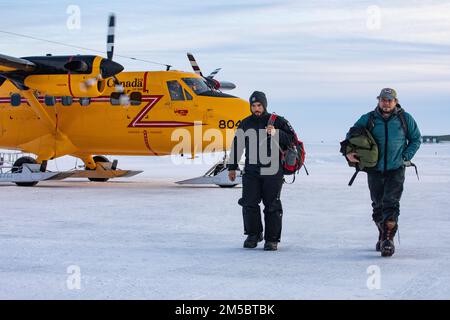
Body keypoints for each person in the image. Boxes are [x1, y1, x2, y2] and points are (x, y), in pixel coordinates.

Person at [343, 88, 421, 257]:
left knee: (391, 203)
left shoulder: (405, 119)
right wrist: (348, 152)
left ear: (395, 101)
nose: (386, 103)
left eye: (389, 100)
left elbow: (416, 139)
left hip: (396, 168)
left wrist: (405, 156)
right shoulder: (369, 118)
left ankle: (388, 240)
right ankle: (383, 232)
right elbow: (351, 135)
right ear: (379, 101)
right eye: (383, 100)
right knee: (378, 205)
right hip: (374, 169)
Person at [228, 91, 296, 251]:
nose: (256, 108)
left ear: (264, 105)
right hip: (251, 170)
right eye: (253, 106)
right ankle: (253, 234)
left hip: (273, 170)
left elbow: (292, 139)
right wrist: (232, 167)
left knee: (272, 205)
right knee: (249, 203)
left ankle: (271, 240)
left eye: (259, 105)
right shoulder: (245, 123)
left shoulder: (277, 121)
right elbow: (237, 146)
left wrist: (276, 133)